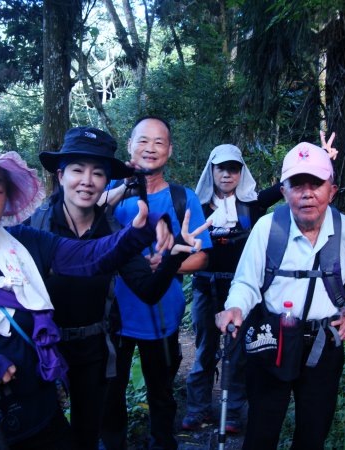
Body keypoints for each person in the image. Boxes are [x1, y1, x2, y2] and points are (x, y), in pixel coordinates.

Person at [0, 144, 179, 450]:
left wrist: (137, 232)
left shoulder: (24, 244)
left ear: (6, 198)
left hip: (42, 416)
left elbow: (89, 257)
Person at [28, 126, 208, 450]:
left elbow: (148, 288)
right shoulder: (35, 228)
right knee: (46, 430)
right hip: (44, 350)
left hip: (98, 347)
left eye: (97, 172)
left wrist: (171, 259)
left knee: (97, 425)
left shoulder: (114, 230)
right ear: (60, 174)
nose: (87, 180)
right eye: (78, 170)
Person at [215, 141, 345, 450]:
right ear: (284, 191)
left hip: (323, 343)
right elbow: (247, 281)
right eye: (296, 184)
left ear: (332, 190)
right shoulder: (267, 228)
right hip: (271, 337)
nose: (307, 192)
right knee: (261, 428)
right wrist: (235, 306)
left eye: (316, 183)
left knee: (313, 432)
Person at [100, 116, 213, 450]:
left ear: (170, 150)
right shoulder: (107, 193)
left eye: (159, 142)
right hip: (112, 317)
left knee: (161, 394)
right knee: (110, 395)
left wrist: (169, 263)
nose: (150, 148)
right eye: (143, 140)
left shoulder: (183, 197)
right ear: (130, 145)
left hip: (163, 314)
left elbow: (202, 255)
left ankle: (162, 444)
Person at [182, 144, 283, 433]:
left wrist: (321, 159)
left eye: (233, 169)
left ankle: (234, 412)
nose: (227, 174)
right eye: (221, 168)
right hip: (206, 288)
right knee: (205, 350)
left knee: (239, 353)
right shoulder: (197, 207)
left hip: (242, 292)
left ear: (241, 172)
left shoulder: (252, 204)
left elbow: (283, 186)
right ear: (211, 170)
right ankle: (197, 408)